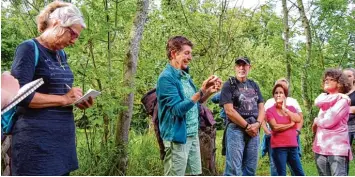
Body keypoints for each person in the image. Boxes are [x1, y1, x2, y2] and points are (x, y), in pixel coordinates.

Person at [10, 1, 94, 175]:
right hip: (36, 145)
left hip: (62, 144)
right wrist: (63, 99)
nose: (74, 41)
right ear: (57, 24)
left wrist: (76, 100)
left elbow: (57, 92)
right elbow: (19, 96)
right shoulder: (28, 49)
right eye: (73, 34)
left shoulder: (60, 54)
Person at [156, 36, 222, 176]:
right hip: (177, 137)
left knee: (194, 174)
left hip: (191, 134)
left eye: (190, 53)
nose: (190, 57)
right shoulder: (166, 78)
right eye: (186, 53)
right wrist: (201, 90)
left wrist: (208, 92)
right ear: (174, 53)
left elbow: (194, 104)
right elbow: (177, 110)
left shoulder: (185, 76)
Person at [220, 56, 264, 176]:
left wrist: (258, 124)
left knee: (250, 169)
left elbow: (261, 106)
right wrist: (247, 127)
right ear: (235, 67)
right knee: (233, 170)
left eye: (244, 65)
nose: (241, 68)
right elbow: (229, 111)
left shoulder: (254, 85)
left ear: (249, 67)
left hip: (254, 129)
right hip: (236, 129)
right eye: (238, 65)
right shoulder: (229, 85)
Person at [312, 69, 352, 176]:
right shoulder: (324, 98)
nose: (327, 81)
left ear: (339, 83)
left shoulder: (343, 101)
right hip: (320, 148)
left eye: (331, 79)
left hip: (336, 149)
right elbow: (317, 101)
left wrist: (316, 120)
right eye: (326, 79)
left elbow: (328, 122)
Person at [261, 78, 303, 176]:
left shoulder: (292, 105)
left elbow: (299, 119)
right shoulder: (270, 106)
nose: (279, 94)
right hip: (278, 145)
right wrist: (267, 131)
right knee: (278, 171)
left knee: (298, 172)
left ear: (286, 92)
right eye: (277, 92)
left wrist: (297, 130)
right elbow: (274, 127)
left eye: (282, 91)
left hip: (292, 144)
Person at [344, 68, 355, 150]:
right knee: (344, 152)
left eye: (349, 76)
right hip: (343, 126)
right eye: (344, 76)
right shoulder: (338, 92)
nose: (347, 78)